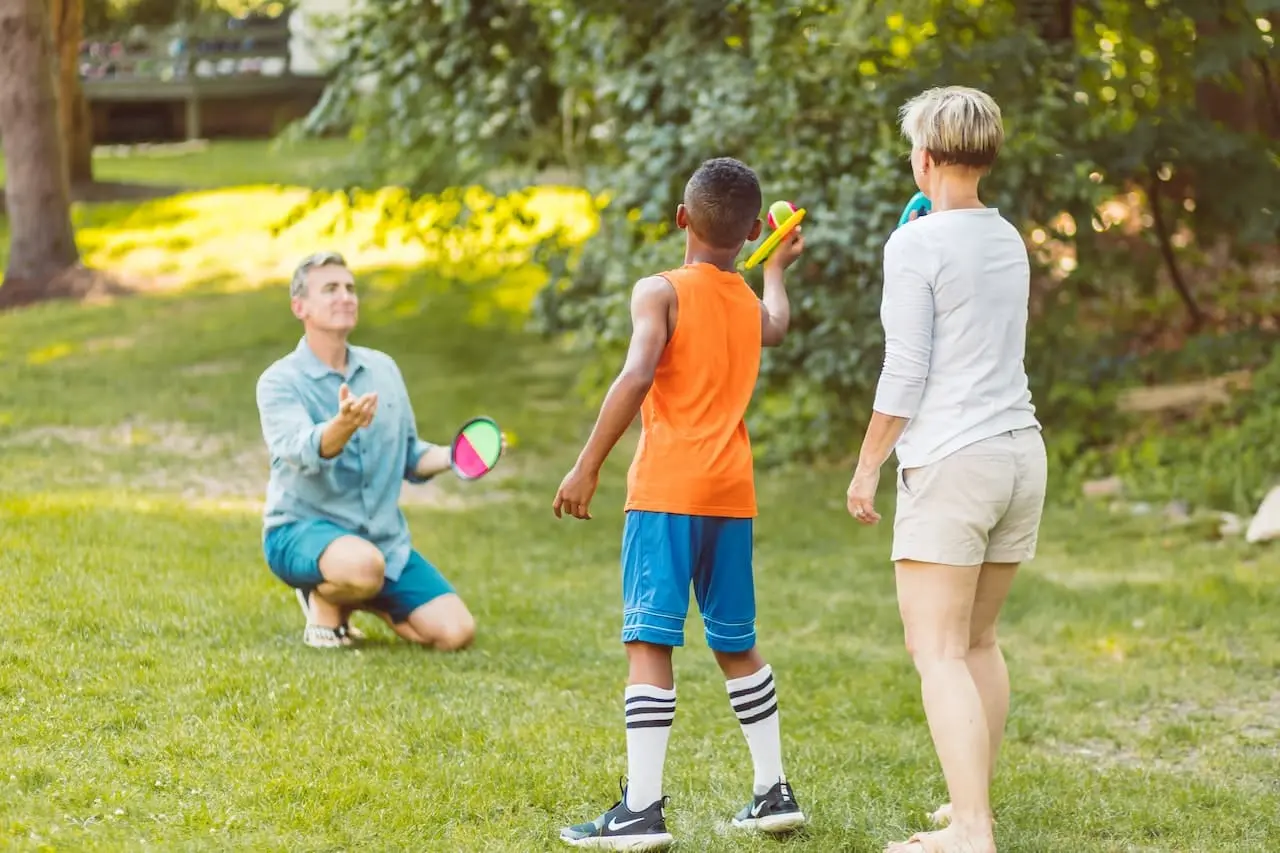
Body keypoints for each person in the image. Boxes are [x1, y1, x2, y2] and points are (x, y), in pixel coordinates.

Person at [551, 157, 807, 850]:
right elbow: (776, 326)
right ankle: (772, 789)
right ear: (752, 229)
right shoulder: (745, 300)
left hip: (666, 491)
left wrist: (586, 465)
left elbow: (638, 374)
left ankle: (641, 808)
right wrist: (776, 265)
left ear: (682, 218)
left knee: (649, 639)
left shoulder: (658, 290)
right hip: (731, 495)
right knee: (736, 642)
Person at [845, 86, 1047, 853]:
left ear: (924, 158)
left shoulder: (915, 244)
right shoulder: (1008, 237)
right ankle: (972, 806)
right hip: (1019, 456)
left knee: (937, 650)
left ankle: (971, 828)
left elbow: (905, 373)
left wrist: (867, 467)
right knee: (978, 641)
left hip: (954, 461)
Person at [255, 251, 483, 651]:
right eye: (330, 289)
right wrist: (340, 427)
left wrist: (455, 456)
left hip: (382, 544)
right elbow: (299, 450)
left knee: (455, 633)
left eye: (350, 288)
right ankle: (324, 595)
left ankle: (359, 592)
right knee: (363, 566)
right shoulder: (279, 380)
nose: (345, 296)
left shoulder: (384, 369)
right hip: (300, 531)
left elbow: (410, 456)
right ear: (300, 307)